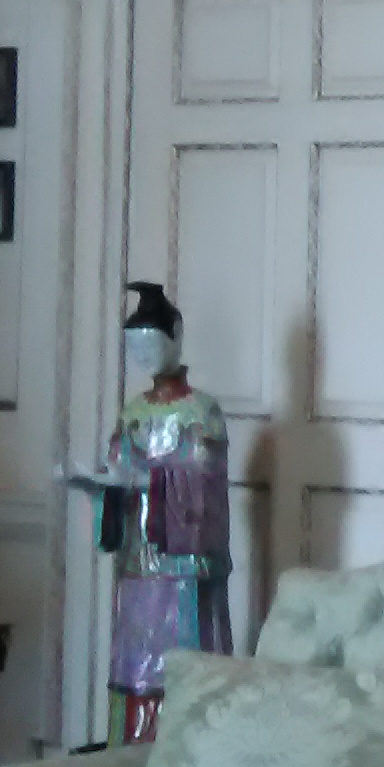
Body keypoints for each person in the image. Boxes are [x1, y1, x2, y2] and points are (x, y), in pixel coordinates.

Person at [98, 283, 234, 742]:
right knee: (135, 659)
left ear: (176, 335)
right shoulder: (132, 410)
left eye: (150, 345)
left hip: (184, 562)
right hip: (138, 558)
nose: (142, 356)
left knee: (188, 664)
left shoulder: (202, 411)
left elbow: (204, 477)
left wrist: (150, 480)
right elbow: (118, 463)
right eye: (134, 348)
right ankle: (128, 751)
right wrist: (104, 482)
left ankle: (188, 751)